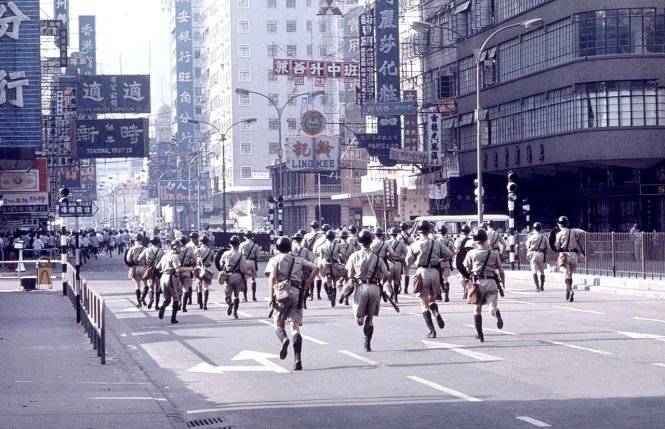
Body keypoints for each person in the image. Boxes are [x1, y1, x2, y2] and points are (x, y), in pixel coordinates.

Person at [266, 237, 318, 370]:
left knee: (278, 323)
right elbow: (315, 267)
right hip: (296, 292)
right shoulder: (298, 260)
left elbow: (272, 277)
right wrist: (308, 281)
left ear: (277, 248)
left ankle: (284, 339)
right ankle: (297, 360)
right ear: (290, 247)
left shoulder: (274, 260)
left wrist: (271, 297)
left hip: (281, 293)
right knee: (295, 327)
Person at [406, 220, 453, 338]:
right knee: (432, 299)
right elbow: (450, 254)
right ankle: (436, 312)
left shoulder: (415, 244)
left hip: (422, 272)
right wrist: (441, 261)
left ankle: (432, 331)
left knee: (424, 303)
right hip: (436, 272)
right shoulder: (436, 243)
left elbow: (408, 262)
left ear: (418, 232)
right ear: (429, 231)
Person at [346, 229, 390, 352]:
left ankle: (361, 320)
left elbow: (350, 274)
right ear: (371, 242)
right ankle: (367, 343)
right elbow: (386, 274)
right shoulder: (377, 258)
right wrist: (382, 282)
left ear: (359, 242)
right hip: (375, 287)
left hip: (361, 287)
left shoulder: (354, 256)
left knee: (358, 317)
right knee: (370, 318)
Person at [463, 228, 505, 343]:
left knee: (477, 309)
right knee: (492, 307)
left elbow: (467, 270)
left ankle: (480, 335)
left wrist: (467, 281)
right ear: (486, 239)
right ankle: (496, 313)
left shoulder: (471, 253)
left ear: (475, 241)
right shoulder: (494, 253)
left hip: (478, 283)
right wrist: (503, 284)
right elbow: (501, 270)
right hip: (492, 282)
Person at [157, 240, 194, 324]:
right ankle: (173, 318)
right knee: (176, 297)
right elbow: (178, 269)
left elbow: (157, 267)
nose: (180, 248)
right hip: (171, 277)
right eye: (179, 247)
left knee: (167, 299)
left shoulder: (165, 255)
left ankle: (163, 307)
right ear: (174, 248)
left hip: (163, 277)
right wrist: (189, 269)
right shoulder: (175, 256)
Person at [554, 216, 587, 302]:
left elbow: (557, 247)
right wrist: (578, 238)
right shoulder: (573, 231)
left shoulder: (558, 234)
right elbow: (584, 232)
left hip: (564, 255)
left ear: (559, 224)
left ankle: (570, 290)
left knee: (566, 273)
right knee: (570, 274)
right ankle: (567, 291)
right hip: (574, 255)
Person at [219, 235, 251, 319]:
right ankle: (235, 313)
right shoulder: (241, 256)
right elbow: (243, 269)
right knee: (236, 295)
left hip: (228, 276)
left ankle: (230, 303)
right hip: (238, 277)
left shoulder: (225, 254)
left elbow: (221, 265)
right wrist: (249, 273)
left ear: (230, 244)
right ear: (238, 244)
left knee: (227, 295)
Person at [315, 230, 342, 307]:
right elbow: (343, 253)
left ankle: (330, 295)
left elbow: (320, 257)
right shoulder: (337, 245)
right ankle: (334, 294)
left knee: (328, 280)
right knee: (335, 281)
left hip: (326, 264)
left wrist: (320, 267)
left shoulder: (322, 247)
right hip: (335, 264)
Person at [138, 236, 164, 310]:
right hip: (158, 270)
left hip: (149, 269)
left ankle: (151, 299)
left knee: (150, 286)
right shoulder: (161, 251)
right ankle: (156, 305)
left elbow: (139, 258)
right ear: (158, 243)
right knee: (158, 287)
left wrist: (145, 266)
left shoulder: (147, 250)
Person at [386, 227, 408, 303]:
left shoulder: (387, 243)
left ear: (390, 234)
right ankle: (395, 298)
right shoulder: (401, 244)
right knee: (396, 281)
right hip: (398, 263)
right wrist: (402, 257)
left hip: (389, 263)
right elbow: (406, 254)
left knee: (388, 281)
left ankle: (391, 292)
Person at [525, 222, 548, 291]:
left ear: (534, 229)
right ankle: (542, 286)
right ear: (540, 229)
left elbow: (527, 246)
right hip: (541, 254)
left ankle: (537, 287)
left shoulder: (531, 237)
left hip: (533, 253)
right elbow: (548, 246)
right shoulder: (544, 237)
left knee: (534, 271)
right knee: (542, 271)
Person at [455, 224, 475, 299]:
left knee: (462, 276)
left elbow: (456, 249)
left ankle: (465, 288)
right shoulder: (471, 239)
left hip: (460, 259)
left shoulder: (458, 239)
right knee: (469, 274)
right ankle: (469, 288)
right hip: (470, 258)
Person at [239, 231, 261, 302]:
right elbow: (258, 256)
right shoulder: (256, 245)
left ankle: (245, 298)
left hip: (244, 261)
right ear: (252, 237)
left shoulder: (242, 244)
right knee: (253, 279)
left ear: (245, 237)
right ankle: (254, 297)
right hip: (252, 262)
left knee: (245, 280)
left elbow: (239, 254)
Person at [194, 235, 215, 310]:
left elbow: (194, 259)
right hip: (207, 269)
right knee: (206, 287)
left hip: (198, 269)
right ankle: (205, 305)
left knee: (199, 286)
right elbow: (212, 260)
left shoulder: (197, 250)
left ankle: (200, 304)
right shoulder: (211, 251)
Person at [126, 235, 147, 307]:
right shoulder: (145, 249)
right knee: (146, 284)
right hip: (143, 267)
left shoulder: (132, 249)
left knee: (137, 285)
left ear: (135, 241)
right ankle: (143, 297)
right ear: (142, 240)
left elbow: (128, 259)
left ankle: (139, 302)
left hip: (135, 267)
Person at [436, 225, 455, 302]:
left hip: (437, 262)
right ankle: (447, 295)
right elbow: (453, 252)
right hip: (446, 261)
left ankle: (439, 295)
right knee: (446, 279)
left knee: (437, 279)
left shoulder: (436, 241)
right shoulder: (450, 241)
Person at [178, 236, 196, 312]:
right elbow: (195, 260)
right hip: (187, 270)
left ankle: (179, 303)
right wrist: (192, 266)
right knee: (186, 289)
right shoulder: (190, 251)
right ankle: (184, 307)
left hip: (178, 270)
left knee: (178, 289)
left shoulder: (177, 251)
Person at [397, 222, 413, 293]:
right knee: (407, 272)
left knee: (398, 274)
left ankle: (399, 287)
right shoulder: (410, 238)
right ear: (406, 229)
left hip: (399, 257)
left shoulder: (397, 237)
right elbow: (413, 246)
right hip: (407, 256)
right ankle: (406, 289)